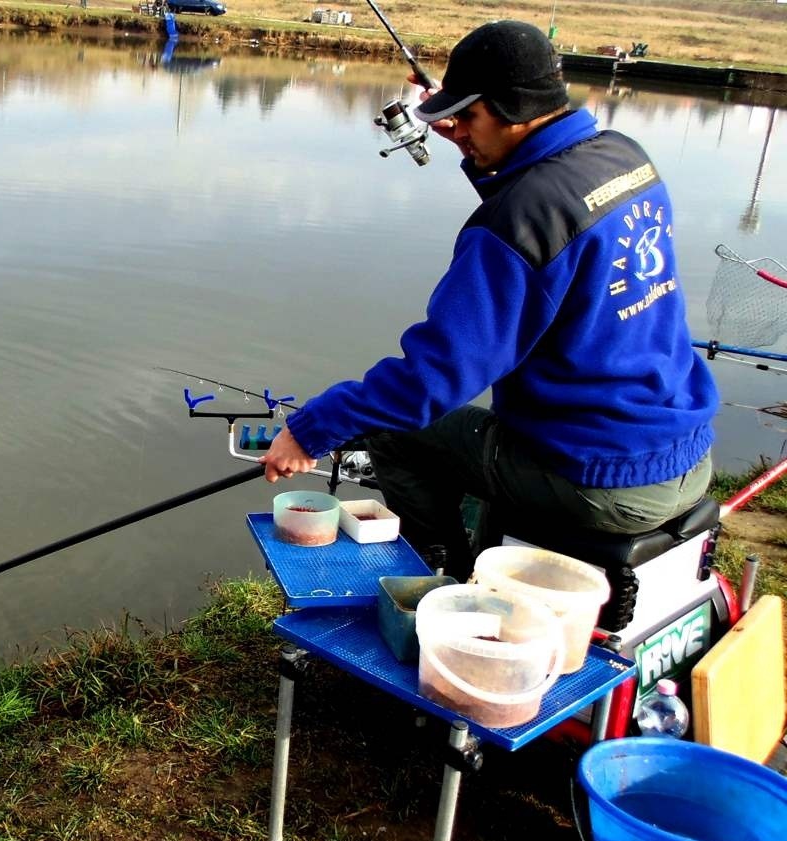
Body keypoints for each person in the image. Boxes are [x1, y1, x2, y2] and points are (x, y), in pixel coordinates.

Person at [258, 19, 718, 581]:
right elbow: (547, 205)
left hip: (602, 479)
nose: (459, 130)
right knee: (465, 434)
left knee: (397, 434)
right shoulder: (623, 158)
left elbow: (430, 382)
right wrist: (474, 137)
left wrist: (310, 430)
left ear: (513, 109)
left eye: (470, 116)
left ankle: (436, 584)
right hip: (686, 452)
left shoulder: (519, 221)